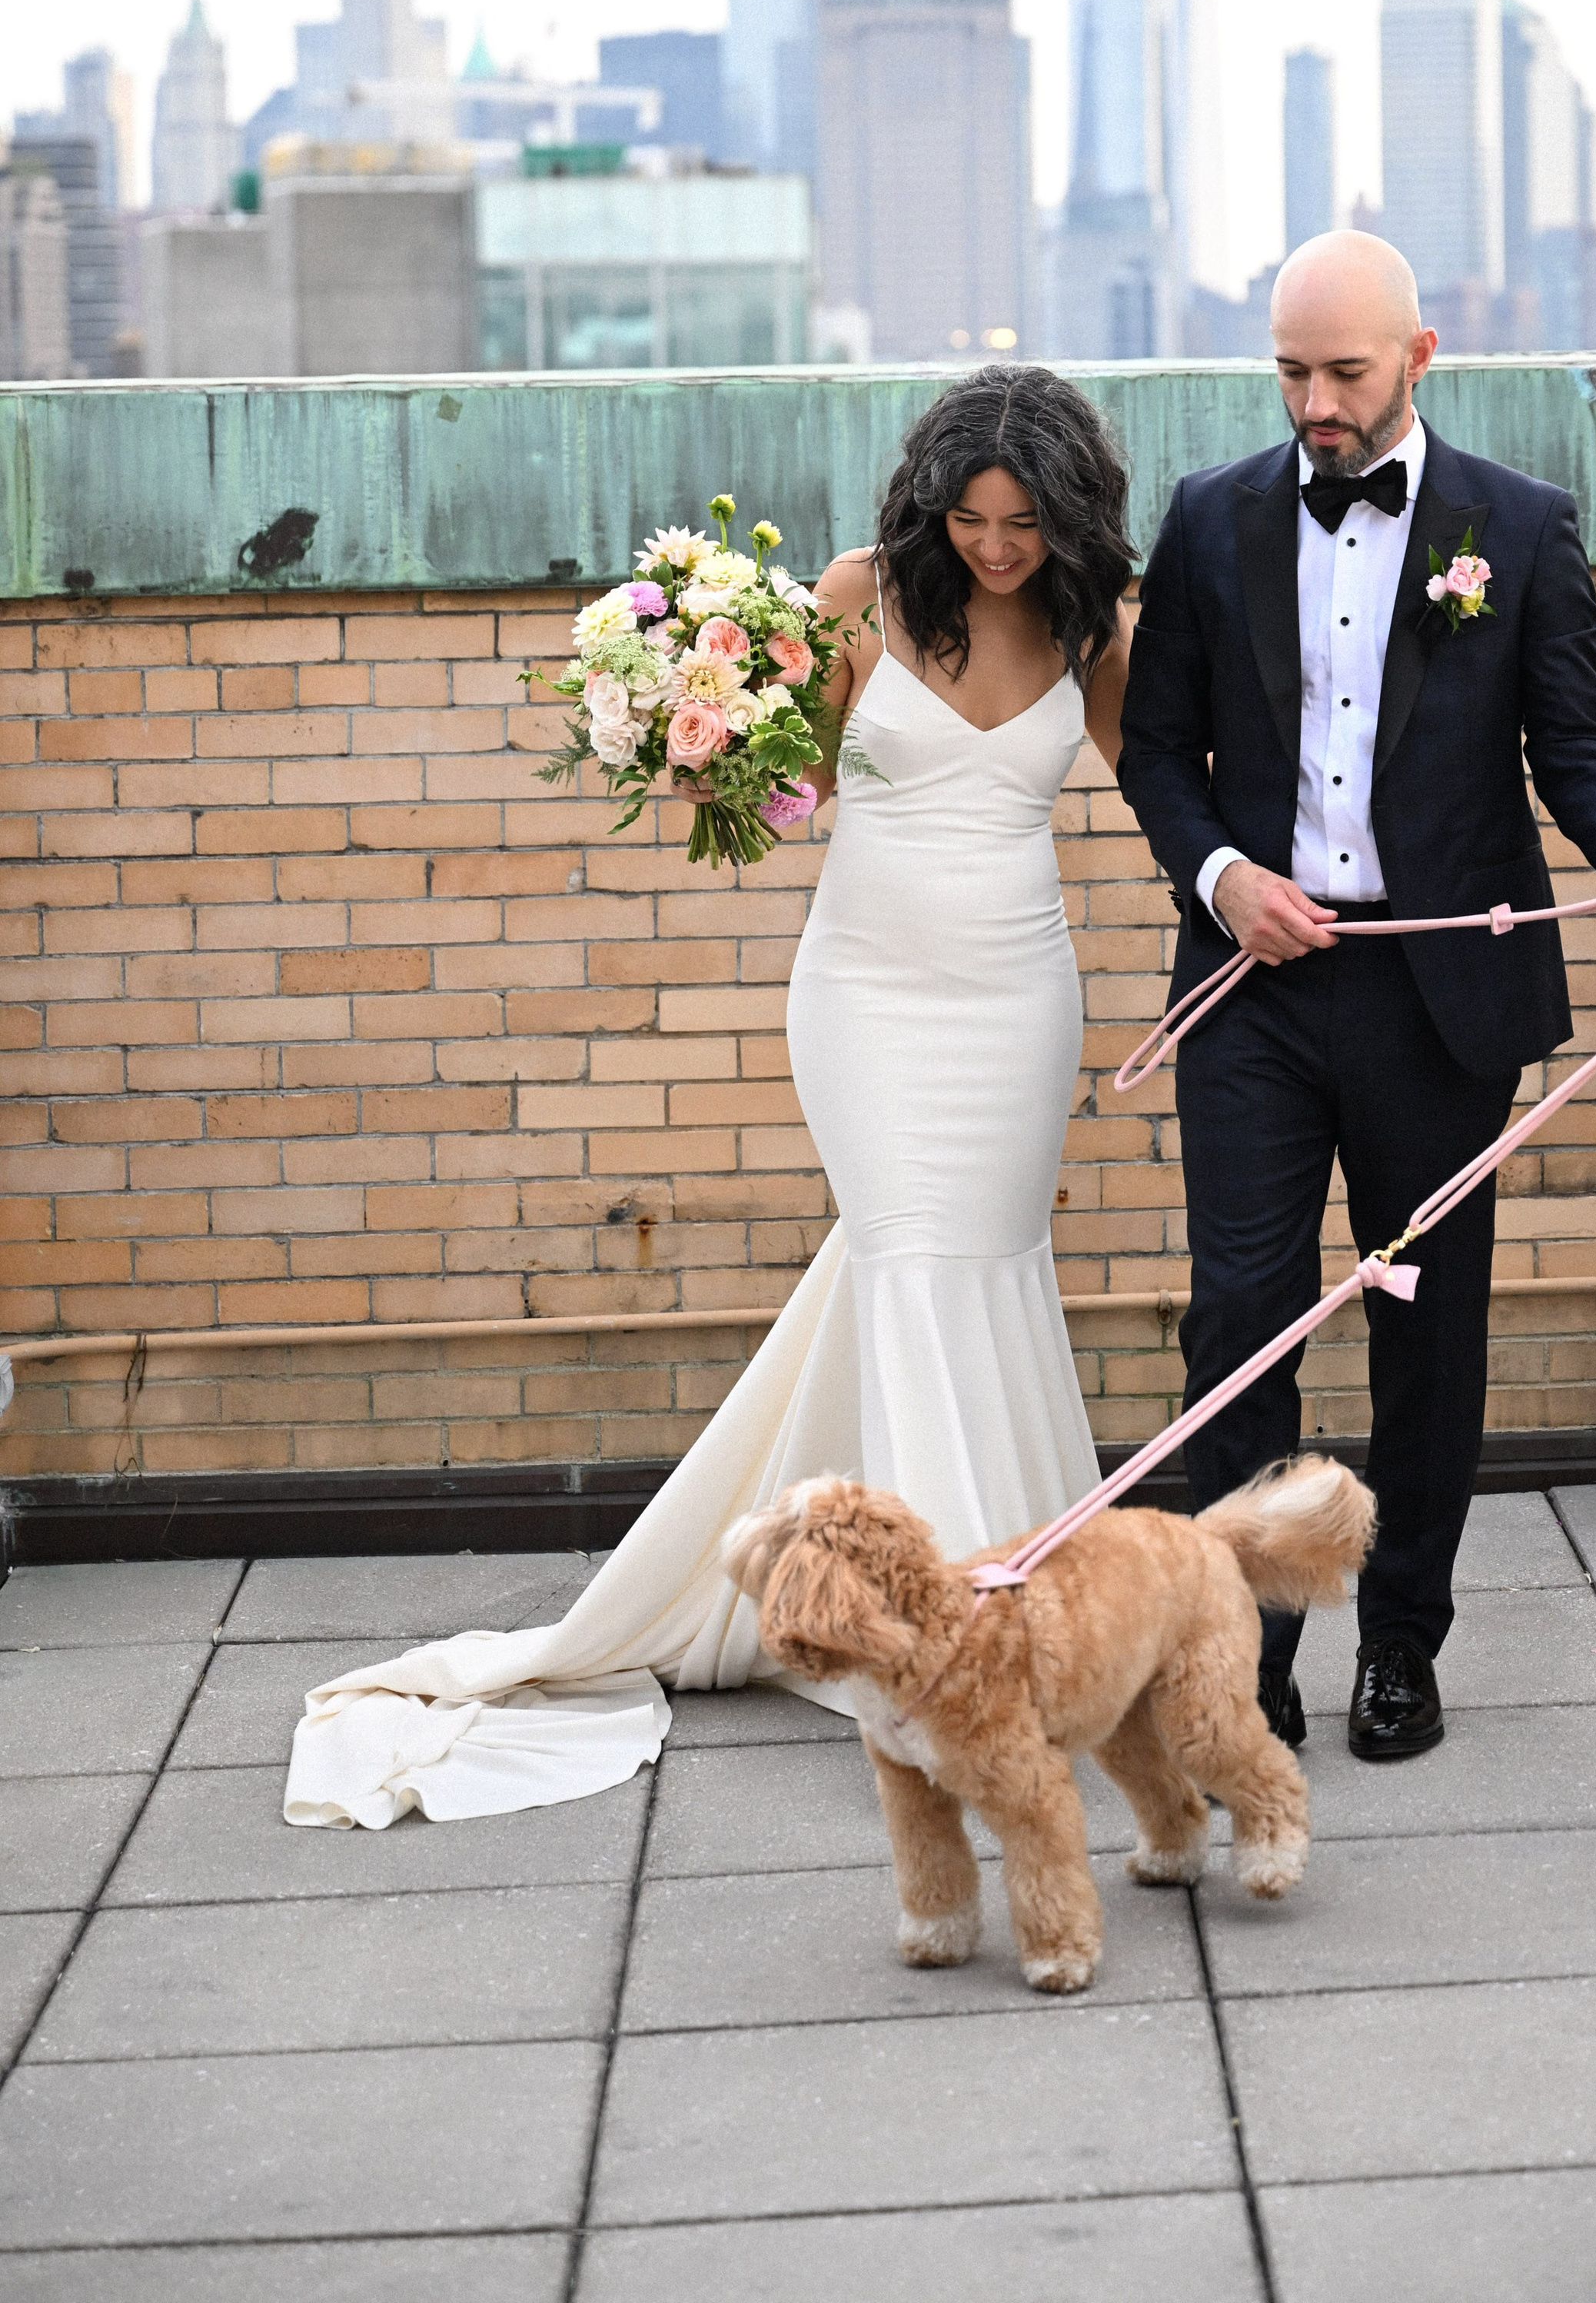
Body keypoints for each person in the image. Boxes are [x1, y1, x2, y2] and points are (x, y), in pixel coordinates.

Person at [284, 364, 1135, 1826]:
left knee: (979, 1269)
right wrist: (697, 729)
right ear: (933, 507)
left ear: (1072, 517)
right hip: (865, 999)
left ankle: (959, 1592)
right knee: (916, 1263)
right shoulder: (865, 594)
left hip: (1018, 997)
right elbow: (766, 798)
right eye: (974, 518)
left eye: (1024, 524)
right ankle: (944, 1651)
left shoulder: (1091, 620)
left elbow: (1165, 784)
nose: (997, 547)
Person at [1118, 231, 1596, 1764]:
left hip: (1439, 1002)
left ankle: (1398, 1644)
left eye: (1341, 373)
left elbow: (1573, 753)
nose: (1314, 406)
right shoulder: (1206, 521)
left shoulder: (1515, 530)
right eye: (1288, 374)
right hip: (1254, 997)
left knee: (1428, 1332)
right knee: (1241, 1325)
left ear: (1418, 355)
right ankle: (1239, 1659)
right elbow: (1155, 754)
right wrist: (1220, 885)